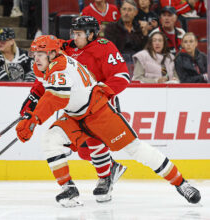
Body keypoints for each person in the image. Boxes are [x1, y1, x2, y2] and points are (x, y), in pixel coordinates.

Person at [16, 35, 201, 207]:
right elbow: (43, 86)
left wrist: (32, 120)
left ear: (52, 54)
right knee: (50, 140)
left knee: (135, 149)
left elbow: (55, 98)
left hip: (99, 113)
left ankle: (181, 183)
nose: (36, 58)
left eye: (40, 54)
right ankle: (68, 189)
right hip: (75, 116)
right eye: (34, 54)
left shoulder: (61, 68)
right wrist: (31, 104)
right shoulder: (47, 63)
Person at [61, 16, 129, 202]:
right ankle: (112, 167)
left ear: (91, 34)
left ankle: (104, 179)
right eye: (73, 33)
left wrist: (99, 94)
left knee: (94, 141)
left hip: (101, 107)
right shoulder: (69, 47)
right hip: (77, 108)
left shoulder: (105, 47)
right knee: (83, 152)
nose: (75, 37)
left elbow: (122, 77)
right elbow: (52, 50)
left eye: (79, 33)